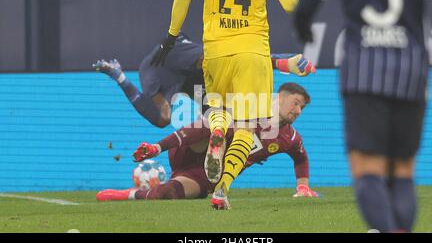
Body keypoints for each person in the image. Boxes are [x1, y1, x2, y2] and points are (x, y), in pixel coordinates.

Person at [294, 0, 432, 232]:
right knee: (403, 170)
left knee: (367, 169)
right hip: (411, 76)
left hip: (364, 75)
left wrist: (303, 28)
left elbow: (306, 7)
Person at [150, 0, 301, 210]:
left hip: (215, 52)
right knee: (246, 129)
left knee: (216, 108)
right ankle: (222, 189)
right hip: (252, 52)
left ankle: (218, 130)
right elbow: (292, 4)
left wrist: (171, 35)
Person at [96, 83, 319, 202]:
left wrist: (302, 186)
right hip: (190, 149)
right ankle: (217, 144)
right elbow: (196, 129)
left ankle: (128, 194)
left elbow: (301, 158)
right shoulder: (249, 109)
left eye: (302, 108)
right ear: (279, 97)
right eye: (296, 103)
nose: (298, 111)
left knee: (168, 194)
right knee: (214, 125)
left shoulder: (289, 138)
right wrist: (158, 147)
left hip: (206, 176)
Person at [93, 34, 315, 128]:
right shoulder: (158, 72)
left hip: (190, 70)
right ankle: (118, 75)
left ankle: (237, 149)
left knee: (222, 115)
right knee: (163, 119)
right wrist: (280, 63)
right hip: (161, 68)